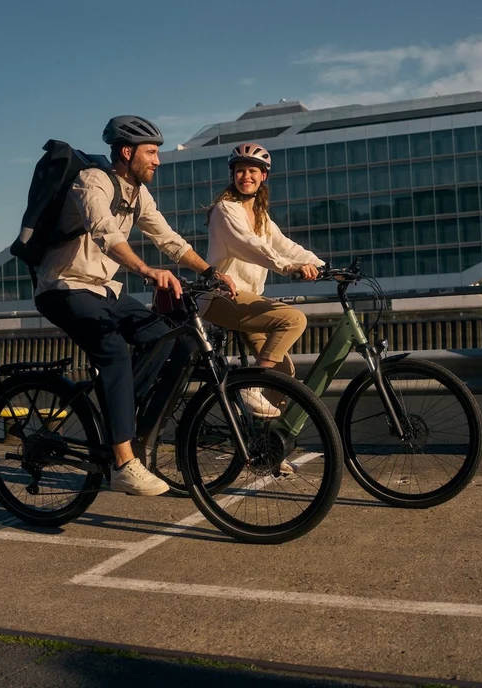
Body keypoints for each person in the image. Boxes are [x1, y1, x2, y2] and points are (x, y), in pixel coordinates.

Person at [33, 115, 237, 496]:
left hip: (105, 290)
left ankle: (130, 417)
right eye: (151, 152)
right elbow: (105, 235)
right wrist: (146, 270)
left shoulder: (138, 194)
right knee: (113, 354)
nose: (157, 160)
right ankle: (124, 463)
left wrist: (211, 272)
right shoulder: (92, 181)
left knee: (178, 340)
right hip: (64, 287)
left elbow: (169, 239)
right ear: (127, 152)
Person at [201, 143, 323, 418]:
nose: (246, 176)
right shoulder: (225, 210)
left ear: (263, 176)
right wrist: (291, 267)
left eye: (252, 171)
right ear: (233, 176)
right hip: (221, 298)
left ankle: (267, 448)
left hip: (247, 302)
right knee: (293, 319)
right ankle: (251, 386)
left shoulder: (261, 217)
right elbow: (252, 246)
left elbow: (285, 245)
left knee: (283, 374)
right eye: (240, 171)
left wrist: (323, 266)